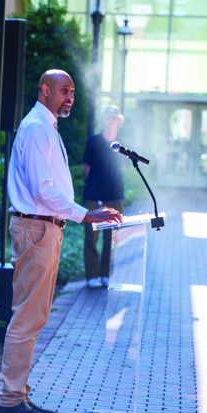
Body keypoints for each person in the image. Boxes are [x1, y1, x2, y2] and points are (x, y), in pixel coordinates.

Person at [0, 69, 122, 413]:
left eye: (73, 92)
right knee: (27, 316)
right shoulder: (37, 128)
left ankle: (18, 394)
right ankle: (10, 399)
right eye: (64, 90)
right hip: (37, 228)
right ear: (45, 90)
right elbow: (42, 190)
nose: (69, 97)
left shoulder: (46, 125)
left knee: (33, 315)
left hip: (43, 227)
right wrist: (87, 215)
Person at [82, 104, 126, 288]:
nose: (111, 121)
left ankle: (106, 274)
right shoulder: (93, 141)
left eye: (114, 118)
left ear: (119, 121)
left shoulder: (121, 144)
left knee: (112, 238)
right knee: (92, 237)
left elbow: (122, 168)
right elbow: (86, 169)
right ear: (103, 119)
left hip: (115, 197)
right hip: (94, 197)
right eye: (108, 117)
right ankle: (92, 276)